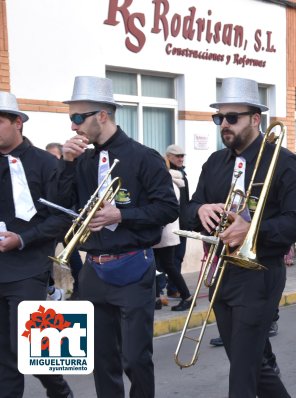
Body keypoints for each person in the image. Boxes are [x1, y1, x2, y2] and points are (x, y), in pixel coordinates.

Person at [186, 77, 296, 397]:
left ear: (256, 119)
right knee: (252, 366)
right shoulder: (215, 162)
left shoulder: (283, 161)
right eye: (219, 118)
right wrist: (200, 210)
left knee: (242, 373)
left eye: (232, 118)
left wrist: (253, 229)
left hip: (260, 273)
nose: (223, 125)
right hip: (221, 271)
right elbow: (187, 208)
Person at [56, 76, 178, 398]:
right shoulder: (80, 161)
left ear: (103, 115)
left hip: (134, 268)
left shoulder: (144, 157)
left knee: (136, 359)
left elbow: (168, 208)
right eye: (71, 118)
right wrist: (66, 164)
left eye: (78, 118)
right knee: (101, 360)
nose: (73, 126)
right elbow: (61, 205)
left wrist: (122, 214)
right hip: (93, 269)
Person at [0, 91, 73, 398]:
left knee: (30, 348)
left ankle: (60, 391)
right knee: (2, 356)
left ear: (18, 122)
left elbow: (60, 219)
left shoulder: (46, 164)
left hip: (29, 267)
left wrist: (23, 239)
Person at [45, 142, 84, 300]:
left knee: (73, 257)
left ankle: (80, 289)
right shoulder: (47, 170)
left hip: (67, 221)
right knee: (46, 257)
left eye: (55, 156)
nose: (52, 159)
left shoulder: (67, 169)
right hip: (50, 221)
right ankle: (51, 289)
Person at [153, 156, 193, 312]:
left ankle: (187, 296)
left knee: (169, 266)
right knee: (156, 266)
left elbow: (165, 208)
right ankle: (156, 298)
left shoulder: (169, 183)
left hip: (166, 232)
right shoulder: (166, 181)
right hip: (162, 232)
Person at [164, 144, 191, 298]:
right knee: (168, 260)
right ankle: (170, 289)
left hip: (183, 222)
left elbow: (185, 201)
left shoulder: (181, 174)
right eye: (177, 156)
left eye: (182, 156)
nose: (181, 159)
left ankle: (173, 288)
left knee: (177, 257)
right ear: (169, 157)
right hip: (171, 224)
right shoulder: (167, 175)